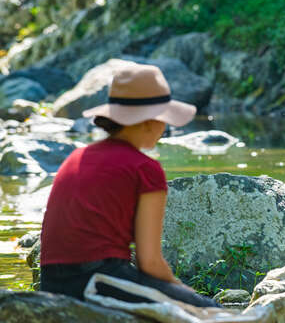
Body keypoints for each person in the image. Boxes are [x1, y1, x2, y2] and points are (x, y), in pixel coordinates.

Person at [40, 62, 219, 307]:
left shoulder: (76, 158)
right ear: (149, 122)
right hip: (98, 281)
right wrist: (185, 292)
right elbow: (150, 263)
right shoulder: (145, 169)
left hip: (51, 283)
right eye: (164, 120)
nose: (165, 128)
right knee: (211, 311)